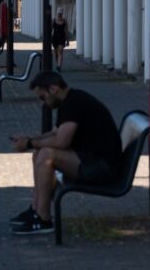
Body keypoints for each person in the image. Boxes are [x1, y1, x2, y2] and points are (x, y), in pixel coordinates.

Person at [8, 71, 122, 235]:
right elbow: (55, 133)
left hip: (103, 167)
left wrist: (29, 143)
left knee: (47, 155)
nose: (44, 103)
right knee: (39, 152)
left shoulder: (73, 103)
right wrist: (30, 139)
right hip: (93, 161)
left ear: (53, 88)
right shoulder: (70, 100)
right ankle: (37, 209)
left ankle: (43, 218)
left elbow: (62, 142)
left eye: (43, 97)